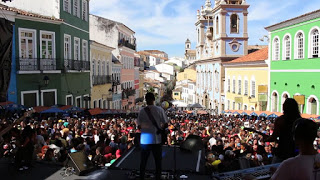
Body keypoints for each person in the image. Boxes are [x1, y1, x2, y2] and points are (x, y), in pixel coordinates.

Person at [137, 92, 168, 180]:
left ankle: (141, 177)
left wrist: (145, 128)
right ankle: (157, 177)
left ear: (146, 100)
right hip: (156, 139)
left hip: (145, 140)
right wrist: (160, 128)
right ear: (154, 100)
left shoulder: (142, 111)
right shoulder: (159, 110)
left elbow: (139, 126)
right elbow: (165, 123)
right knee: (158, 162)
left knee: (143, 161)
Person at [265, 98, 301, 163]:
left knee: (275, 170)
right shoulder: (300, 121)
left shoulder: (280, 120)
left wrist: (267, 139)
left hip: (282, 152)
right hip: (297, 152)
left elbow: (273, 137)